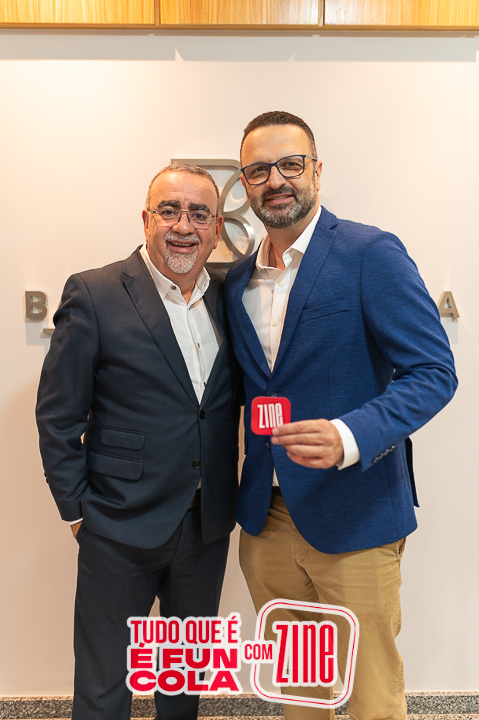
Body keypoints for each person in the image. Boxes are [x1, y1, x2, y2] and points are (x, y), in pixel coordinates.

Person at [224, 111, 457, 720]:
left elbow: (434, 372)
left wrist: (349, 434)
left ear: (317, 171)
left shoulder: (369, 253)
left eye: (290, 164)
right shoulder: (237, 280)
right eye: (259, 170)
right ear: (245, 184)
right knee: (298, 693)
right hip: (266, 521)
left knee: (371, 695)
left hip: (356, 514)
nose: (276, 180)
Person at [36, 163, 241, 720]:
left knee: (183, 684)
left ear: (216, 228)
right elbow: (58, 414)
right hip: (117, 526)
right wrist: (77, 512)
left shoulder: (231, 296)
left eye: (199, 213)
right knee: (104, 687)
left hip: (206, 528)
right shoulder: (95, 292)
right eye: (169, 211)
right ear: (146, 219)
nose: (183, 226)